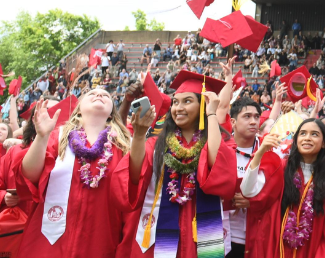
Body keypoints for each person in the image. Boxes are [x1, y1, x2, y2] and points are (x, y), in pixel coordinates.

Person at [17, 88, 157, 258]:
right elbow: (30, 175)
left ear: (112, 113)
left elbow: (134, 182)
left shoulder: (124, 144)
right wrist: (41, 136)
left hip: (101, 238)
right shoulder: (58, 137)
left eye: (106, 95)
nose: (99, 95)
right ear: (78, 108)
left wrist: (140, 135)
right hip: (50, 240)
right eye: (92, 94)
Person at [125, 71, 237, 258]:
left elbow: (218, 165)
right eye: (175, 102)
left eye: (187, 101)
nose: (178, 108)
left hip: (200, 232)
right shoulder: (159, 143)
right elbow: (135, 174)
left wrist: (211, 113)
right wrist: (138, 135)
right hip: (162, 229)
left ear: (202, 105)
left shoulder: (216, 139)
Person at [240, 119, 325, 258]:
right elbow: (247, 191)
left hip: (310, 252)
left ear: (324, 143)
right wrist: (260, 153)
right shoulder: (280, 168)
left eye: (314, 134)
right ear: (296, 140)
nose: (307, 138)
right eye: (303, 133)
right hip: (275, 249)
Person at [225, 97, 262, 258]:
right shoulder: (219, 148)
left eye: (256, 117)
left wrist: (253, 201)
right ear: (233, 122)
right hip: (221, 233)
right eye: (247, 116)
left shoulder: (269, 151)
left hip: (255, 235)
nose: (253, 121)